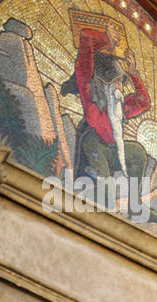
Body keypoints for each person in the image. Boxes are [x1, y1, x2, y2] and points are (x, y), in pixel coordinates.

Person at [60, 23, 150, 209]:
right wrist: (106, 39)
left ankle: (135, 205)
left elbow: (143, 102)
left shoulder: (119, 108)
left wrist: (133, 74)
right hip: (93, 144)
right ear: (104, 83)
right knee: (105, 192)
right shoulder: (91, 96)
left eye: (122, 83)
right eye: (118, 82)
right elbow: (85, 40)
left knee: (138, 153)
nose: (121, 88)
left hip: (112, 149)